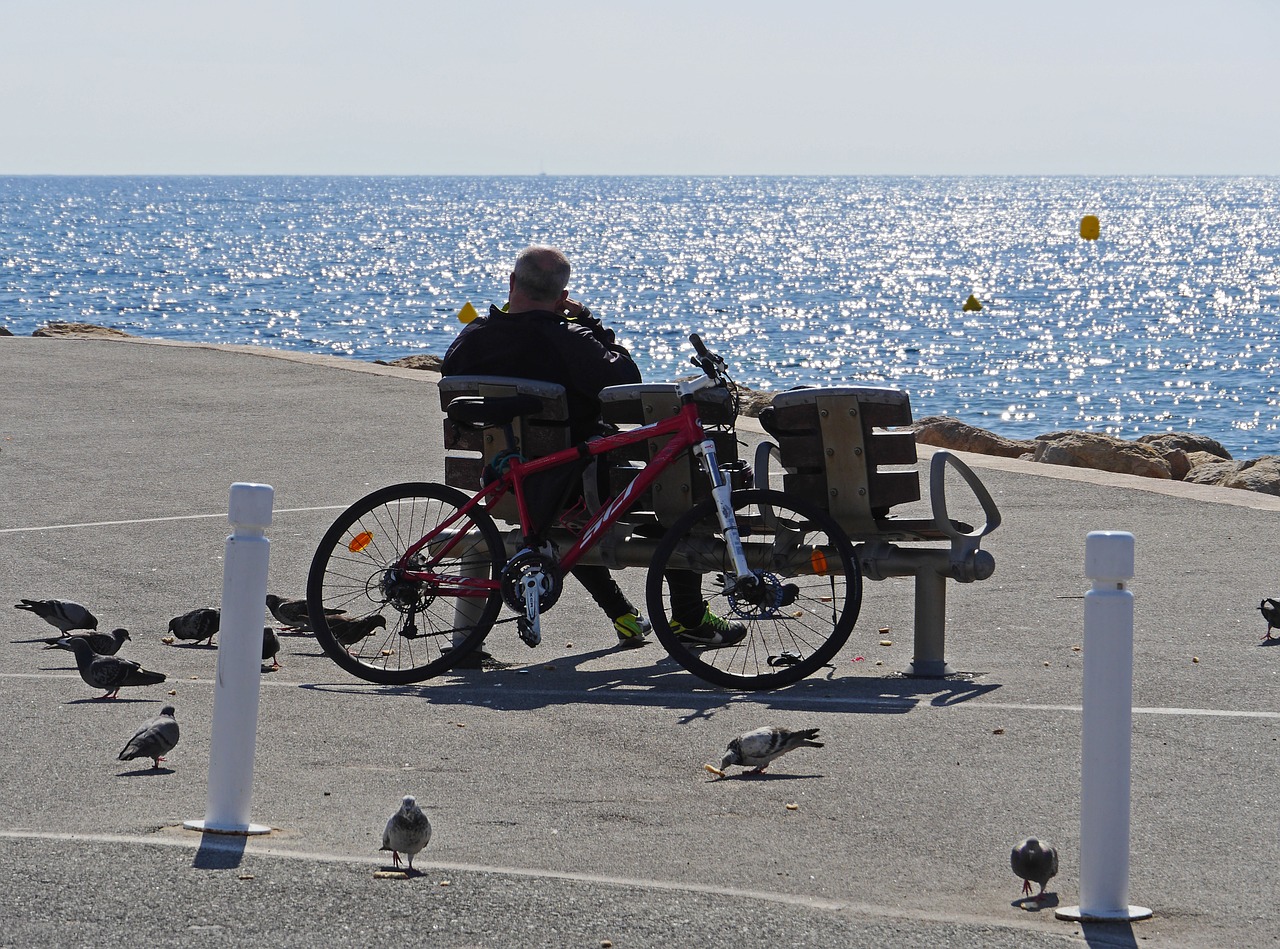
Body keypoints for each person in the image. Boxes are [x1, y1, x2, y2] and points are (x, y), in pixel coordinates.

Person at [441, 246, 746, 650]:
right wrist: (589, 321)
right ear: (561, 295)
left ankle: (623, 613)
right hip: (579, 490)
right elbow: (626, 381)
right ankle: (689, 617)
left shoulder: (472, 340)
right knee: (675, 487)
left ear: (512, 283)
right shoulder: (575, 341)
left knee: (567, 514)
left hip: (500, 484)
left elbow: (452, 367)